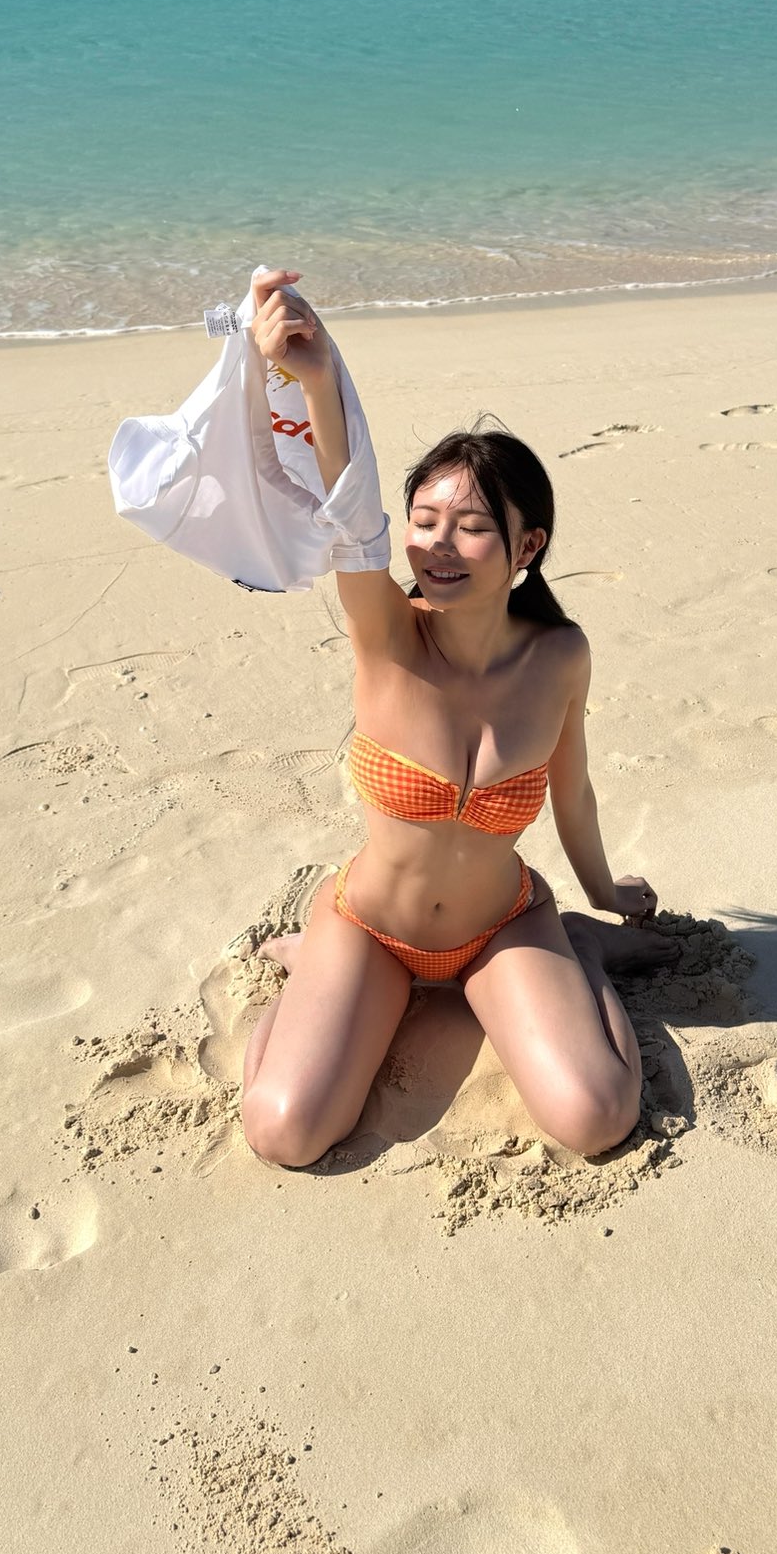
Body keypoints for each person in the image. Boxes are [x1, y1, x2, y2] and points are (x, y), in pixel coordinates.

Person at [240, 269, 673, 1169]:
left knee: (598, 1117)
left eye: (470, 525)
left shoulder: (559, 656)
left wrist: (602, 893)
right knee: (284, 1130)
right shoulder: (387, 636)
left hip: (500, 926)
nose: (437, 543)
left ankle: (579, 950)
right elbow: (349, 514)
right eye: (425, 519)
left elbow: (573, 792)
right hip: (372, 928)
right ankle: (319, 960)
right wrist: (316, 380)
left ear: (526, 546)